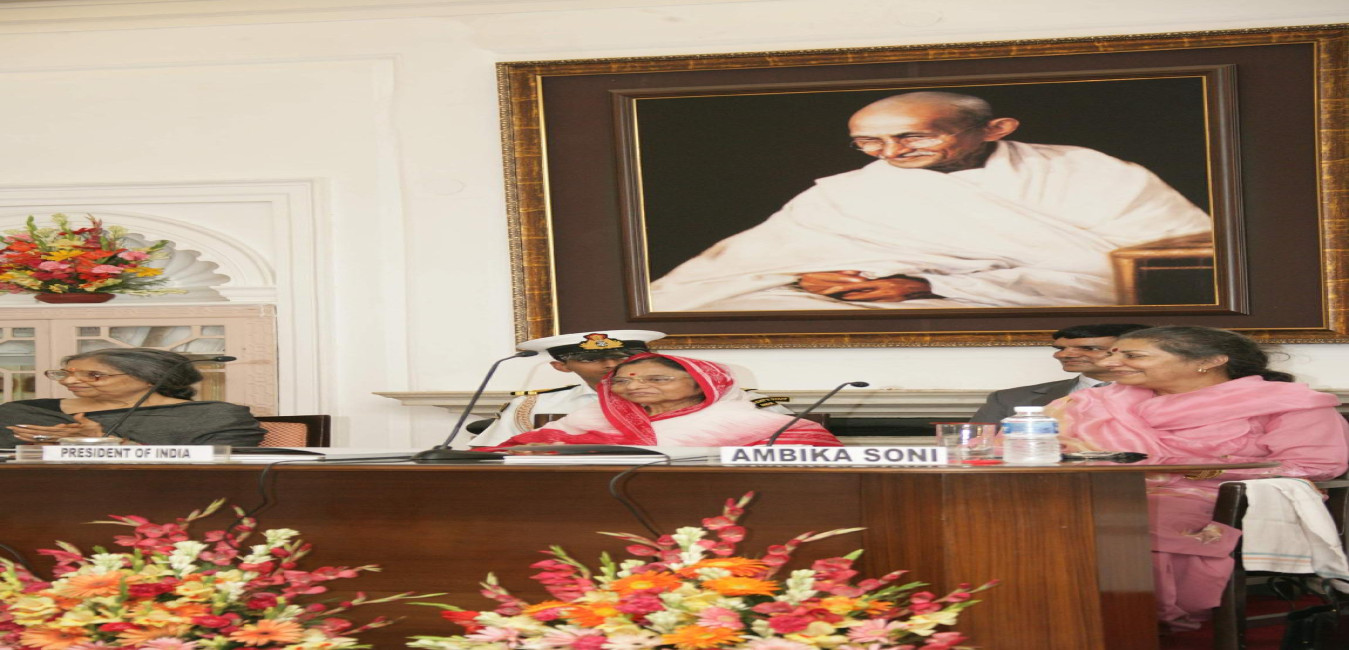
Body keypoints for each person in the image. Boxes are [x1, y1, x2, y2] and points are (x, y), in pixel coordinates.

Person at [650, 91, 1213, 311]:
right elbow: (728, 268)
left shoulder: (1085, 171)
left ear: (996, 129)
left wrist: (931, 285)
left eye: (913, 137)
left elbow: (1168, 271)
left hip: (1009, 307)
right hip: (867, 305)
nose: (890, 153)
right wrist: (804, 275)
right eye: (869, 142)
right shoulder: (851, 191)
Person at [1043, 326, 1349, 632]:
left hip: (1225, 497)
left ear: (1209, 361)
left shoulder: (1286, 403)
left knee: (1132, 519)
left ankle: (1127, 619)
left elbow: (1314, 464)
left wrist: (1198, 470)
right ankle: (1050, 616)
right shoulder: (1091, 403)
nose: (1109, 363)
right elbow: (1034, 447)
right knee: (1042, 516)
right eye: (1112, 354)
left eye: (1133, 356)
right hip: (1103, 490)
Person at [471, 330, 790, 447]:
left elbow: (791, 447)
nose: (610, 364)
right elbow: (492, 456)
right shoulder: (535, 407)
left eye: (624, 356)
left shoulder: (736, 400)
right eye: (590, 358)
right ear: (562, 367)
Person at [487, 353, 841, 448]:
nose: (633, 387)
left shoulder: (766, 424)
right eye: (622, 381)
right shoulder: (592, 416)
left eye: (657, 379)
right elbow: (514, 451)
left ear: (703, 385)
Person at [0, 348, 265, 448]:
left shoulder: (215, 417)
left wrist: (109, 443)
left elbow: (222, 474)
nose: (68, 382)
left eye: (94, 375)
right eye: (65, 374)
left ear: (151, 379)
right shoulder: (20, 413)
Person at [970, 323, 1152, 422]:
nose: (1063, 355)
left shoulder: (1164, 394)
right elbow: (975, 449)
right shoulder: (1009, 399)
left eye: (1089, 348)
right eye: (1060, 348)